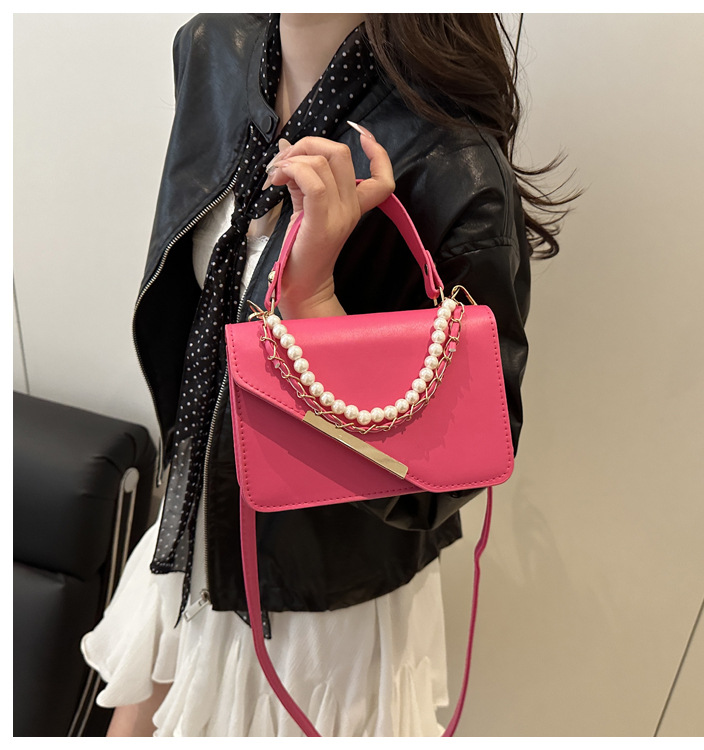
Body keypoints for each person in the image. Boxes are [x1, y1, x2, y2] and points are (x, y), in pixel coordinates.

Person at [80, 12, 572, 737]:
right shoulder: (214, 49)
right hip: (195, 520)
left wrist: (312, 302)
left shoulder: (451, 157)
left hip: (319, 594)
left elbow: (453, 465)